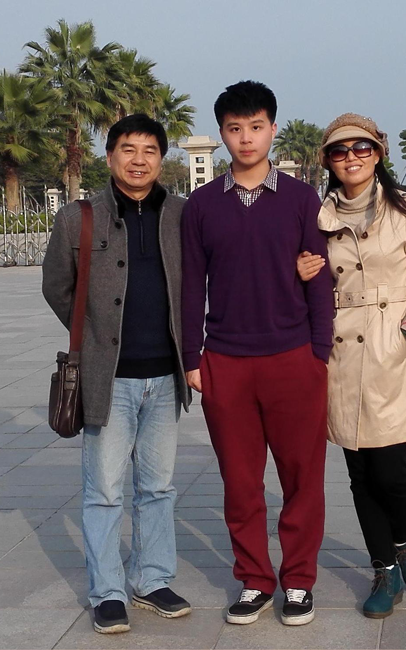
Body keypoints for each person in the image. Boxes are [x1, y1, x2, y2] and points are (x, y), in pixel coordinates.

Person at [181, 81, 333, 626]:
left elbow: (320, 277)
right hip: (225, 362)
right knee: (241, 481)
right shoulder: (202, 205)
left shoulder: (300, 198)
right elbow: (190, 285)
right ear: (222, 134)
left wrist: (319, 353)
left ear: (273, 128)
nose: (246, 138)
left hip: (293, 357)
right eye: (234, 128)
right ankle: (253, 579)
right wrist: (192, 357)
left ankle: (299, 580)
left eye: (256, 126)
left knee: (301, 477)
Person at [297, 113, 406, 619]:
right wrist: (302, 272)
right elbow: (308, 285)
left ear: (378, 153)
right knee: (359, 473)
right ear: (327, 161)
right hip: (342, 355)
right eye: (339, 151)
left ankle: (405, 540)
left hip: (391, 352)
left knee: (391, 471)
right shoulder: (318, 218)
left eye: (361, 148)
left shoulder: (405, 209)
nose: (351, 158)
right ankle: (383, 568)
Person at [42, 114, 191, 634]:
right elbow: (57, 286)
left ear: (162, 159)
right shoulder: (79, 217)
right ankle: (107, 591)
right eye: (128, 149)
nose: (138, 160)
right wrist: (93, 334)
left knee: (158, 487)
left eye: (150, 150)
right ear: (110, 157)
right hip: (108, 379)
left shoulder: (181, 215)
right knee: (104, 489)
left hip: (166, 377)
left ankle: (151, 579)